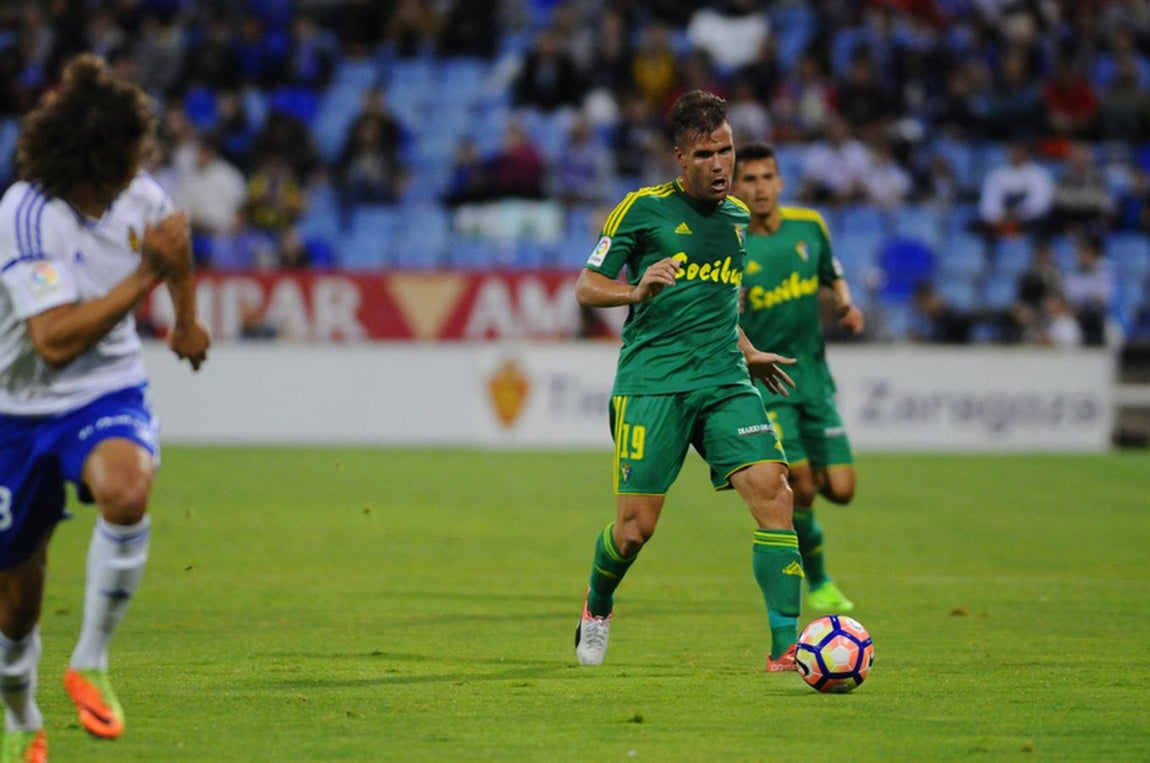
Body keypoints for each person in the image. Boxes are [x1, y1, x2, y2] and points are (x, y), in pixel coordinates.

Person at [0, 54, 210, 761]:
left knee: (126, 489)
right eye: (127, 157)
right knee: (16, 602)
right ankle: (23, 715)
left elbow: (174, 241)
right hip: (18, 408)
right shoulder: (28, 215)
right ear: (93, 159)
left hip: (106, 388)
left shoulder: (138, 196)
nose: (138, 168)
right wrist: (148, 277)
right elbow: (52, 339)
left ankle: (89, 660)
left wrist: (184, 318)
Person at [573, 90, 803, 674]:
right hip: (653, 385)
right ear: (680, 158)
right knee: (633, 532)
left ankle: (785, 649)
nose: (721, 165)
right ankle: (598, 606)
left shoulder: (735, 219)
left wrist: (746, 349)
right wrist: (635, 289)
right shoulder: (641, 209)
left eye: (725, 150)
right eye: (706, 154)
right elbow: (586, 287)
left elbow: (721, 298)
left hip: (722, 381)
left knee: (776, 495)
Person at [731, 142, 865, 615]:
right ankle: (821, 580)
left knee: (843, 490)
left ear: (780, 182)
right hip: (770, 388)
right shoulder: (733, 243)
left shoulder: (810, 227)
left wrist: (844, 304)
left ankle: (806, 534)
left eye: (767, 177)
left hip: (815, 381)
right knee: (800, 487)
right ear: (735, 186)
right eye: (749, 180)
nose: (760, 188)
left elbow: (833, 273)